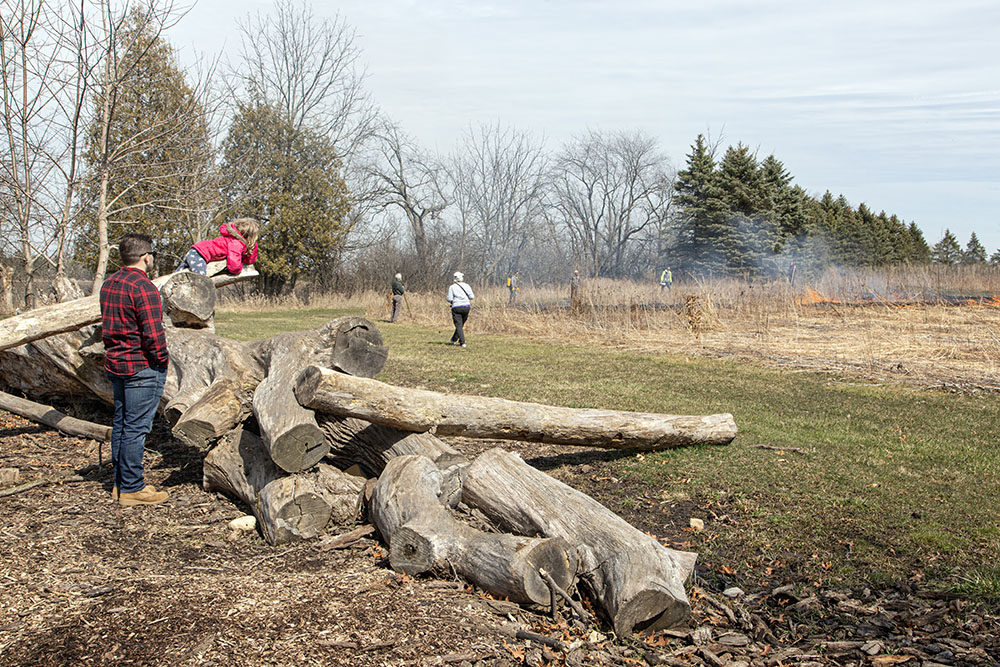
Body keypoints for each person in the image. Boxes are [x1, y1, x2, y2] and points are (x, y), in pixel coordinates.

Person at [100, 233, 170, 507]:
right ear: (146, 256)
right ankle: (131, 487)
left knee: (121, 424)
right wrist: (162, 360)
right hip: (141, 366)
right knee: (136, 429)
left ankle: (121, 483)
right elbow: (153, 334)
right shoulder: (144, 287)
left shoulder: (109, 283)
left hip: (117, 363)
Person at [176, 218, 259, 275]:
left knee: (177, 274)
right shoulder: (236, 243)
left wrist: (252, 249)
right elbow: (234, 265)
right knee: (200, 278)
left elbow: (248, 260)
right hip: (199, 253)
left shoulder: (236, 242)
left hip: (197, 251)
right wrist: (237, 270)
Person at [446, 271, 474, 347]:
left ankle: (462, 342)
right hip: (466, 307)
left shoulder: (452, 287)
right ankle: (454, 339)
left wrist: (453, 300)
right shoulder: (467, 286)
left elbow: (449, 298)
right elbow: (472, 297)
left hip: (456, 307)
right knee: (460, 325)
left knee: (458, 325)